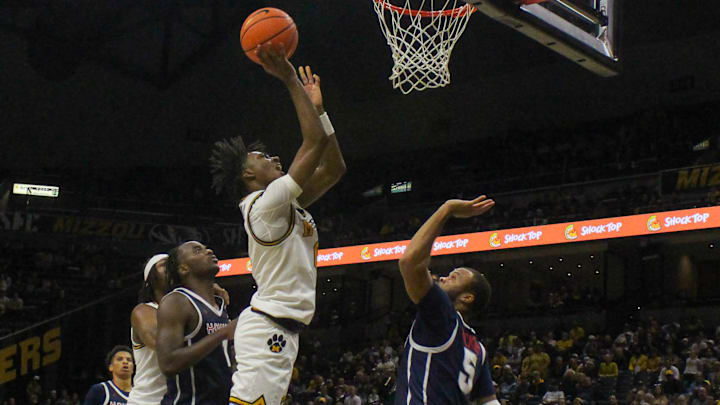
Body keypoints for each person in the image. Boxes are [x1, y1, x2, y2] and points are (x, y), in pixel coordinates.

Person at [209, 43, 345, 405]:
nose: (275, 157)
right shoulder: (264, 207)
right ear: (248, 173)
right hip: (269, 325)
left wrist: (320, 111)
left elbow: (333, 169)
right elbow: (313, 142)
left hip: (281, 329)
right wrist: (289, 80)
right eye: (264, 157)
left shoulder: (283, 203)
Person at [395, 195, 498, 405]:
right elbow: (490, 402)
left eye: (453, 277)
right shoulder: (478, 348)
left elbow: (410, 262)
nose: (443, 277)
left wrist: (447, 208)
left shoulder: (443, 316)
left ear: (467, 297)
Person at [128, 254, 230, 405]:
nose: (171, 268)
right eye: (164, 265)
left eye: (173, 264)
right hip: (150, 401)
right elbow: (166, 349)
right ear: (150, 280)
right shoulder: (143, 311)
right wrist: (222, 331)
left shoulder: (199, 309)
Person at [156, 241, 236, 405]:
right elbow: (168, 363)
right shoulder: (176, 302)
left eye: (207, 248)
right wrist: (224, 332)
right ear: (184, 268)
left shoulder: (220, 304)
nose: (209, 251)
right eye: (198, 251)